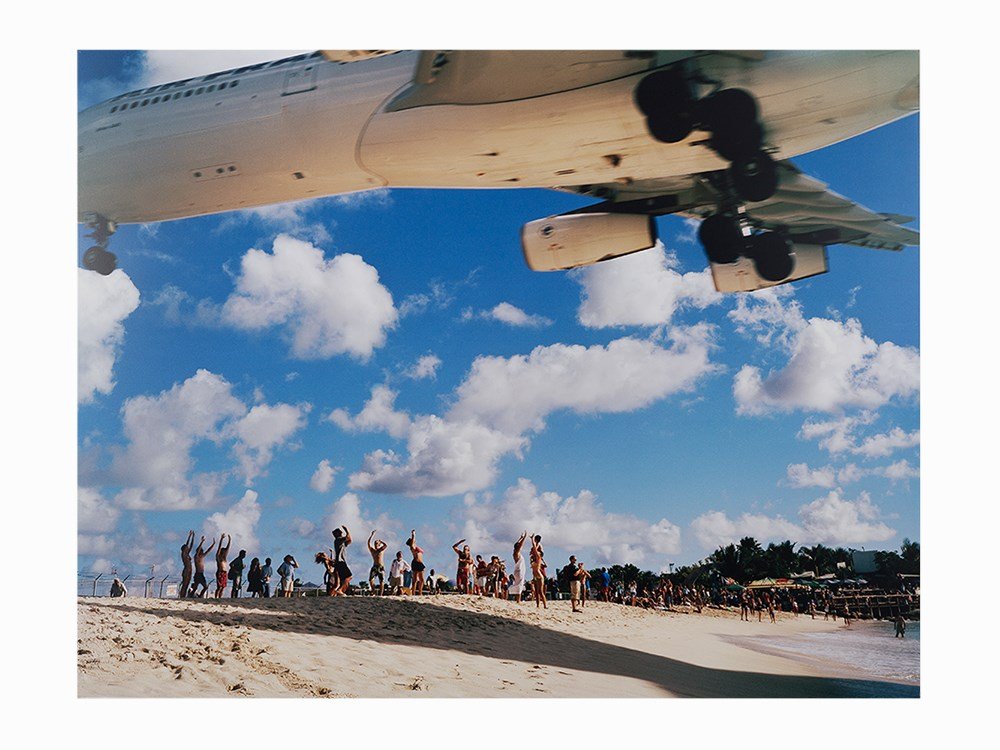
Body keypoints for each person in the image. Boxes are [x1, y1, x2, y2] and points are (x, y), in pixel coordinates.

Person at [332, 526, 353, 595]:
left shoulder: (341, 542)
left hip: (340, 562)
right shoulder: (338, 540)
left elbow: (349, 540)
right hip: (340, 561)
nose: (342, 533)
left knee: (343, 579)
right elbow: (347, 537)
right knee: (349, 576)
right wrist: (347, 530)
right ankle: (340, 590)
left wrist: (347, 534)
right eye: (341, 532)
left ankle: (341, 591)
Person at [368, 530, 388, 596]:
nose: (375, 545)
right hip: (375, 566)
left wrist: (381, 541)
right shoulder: (373, 550)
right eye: (375, 543)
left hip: (381, 567)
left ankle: (381, 594)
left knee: (381, 581)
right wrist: (371, 535)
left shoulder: (381, 550)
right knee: (371, 580)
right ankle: (373, 591)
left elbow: (385, 545)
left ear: (379, 545)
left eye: (377, 543)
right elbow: (368, 543)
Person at [406, 529, 426, 596]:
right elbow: (413, 540)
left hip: (420, 563)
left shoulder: (415, 546)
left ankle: (420, 592)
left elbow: (414, 541)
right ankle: (413, 593)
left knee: (422, 580)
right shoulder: (412, 547)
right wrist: (413, 534)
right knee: (415, 580)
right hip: (416, 562)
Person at [529, 535, 547, 609]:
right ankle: (538, 605)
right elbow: (534, 549)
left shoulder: (538, 557)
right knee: (536, 592)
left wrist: (532, 539)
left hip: (539, 575)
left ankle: (545, 605)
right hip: (535, 575)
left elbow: (535, 549)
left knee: (540, 591)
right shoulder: (533, 558)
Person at [509, 531, 527, 603]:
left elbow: (517, 545)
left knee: (518, 584)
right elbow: (520, 545)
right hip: (519, 570)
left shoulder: (515, 552)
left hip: (517, 570)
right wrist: (524, 538)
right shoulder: (516, 553)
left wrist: (520, 538)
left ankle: (517, 599)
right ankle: (518, 600)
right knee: (519, 584)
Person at [214, 533, 231, 599]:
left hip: (225, 573)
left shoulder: (224, 558)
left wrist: (229, 540)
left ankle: (220, 597)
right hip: (220, 572)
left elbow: (227, 548)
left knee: (223, 587)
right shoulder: (218, 558)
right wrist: (221, 539)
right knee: (219, 587)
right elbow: (218, 549)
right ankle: (216, 597)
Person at [179, 530, 195, 598]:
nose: (188, 548)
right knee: (184, 584)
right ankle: (181, 595)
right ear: (184, 549)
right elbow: (187, 544)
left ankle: (184, 595)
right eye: (186, 548)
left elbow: (190, 545)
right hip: (186, 570)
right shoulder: (183, 554)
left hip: (189, 570)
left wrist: (193, 537)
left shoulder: (187, 554)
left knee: (187, 584)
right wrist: (189, 536)